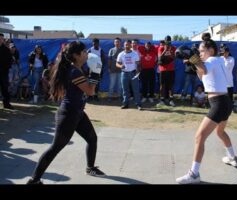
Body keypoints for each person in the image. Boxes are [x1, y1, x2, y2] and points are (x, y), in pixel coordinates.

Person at [27, 41, 105, 184]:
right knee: (55, 148)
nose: (87, 54)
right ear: (76, 55)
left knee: (92, 138)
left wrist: (94, 72)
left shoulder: (77, 68)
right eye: (84, 52)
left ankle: (90, 167)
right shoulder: (74, 71)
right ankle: (34, 180)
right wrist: (96, 72)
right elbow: (90, 91)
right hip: (69, 115)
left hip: (78, 112)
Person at [175, 33, 237, 184]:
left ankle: (194, 174)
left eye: (201, 50)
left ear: (211, 50)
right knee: (220, 131)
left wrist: (193, 57)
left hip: (219, 103)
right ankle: (232, 157)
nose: (200, 53)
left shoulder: (211, 60)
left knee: (199, 137)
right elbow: (202, 75)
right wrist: (192, 62)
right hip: (225, 102)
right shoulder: (218, 61)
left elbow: (204, 69)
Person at [116, 40, 142, 110]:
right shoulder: (121, 54)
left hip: (133, 73)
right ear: (123, 45)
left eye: (128, 45)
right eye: (125, 45)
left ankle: (138, 104)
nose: (126, 46)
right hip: (124, 74)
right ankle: (125, 104)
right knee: (125, 90)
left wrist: (138, 71)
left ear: (130, 45)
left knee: (136, 90)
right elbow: (117, 63)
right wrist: (120, 66)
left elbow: (138, 63)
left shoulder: (135, 54)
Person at [157, 35, 176, 107]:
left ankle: (171, 100)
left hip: (171, 69)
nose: (168, 43)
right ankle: (162, 100)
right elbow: (159, 58)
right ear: (164, 41)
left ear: (171, 41)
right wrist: (165, 50)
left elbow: (174, 58)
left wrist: (170, 52)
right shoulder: (161, 48)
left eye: (169, 41)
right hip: (163, 69)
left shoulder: (174, 48)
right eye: (166, 41)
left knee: (171, 85)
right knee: (162, 85)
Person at [0, 33, 13, 109]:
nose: (0, 40)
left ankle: (6, 104)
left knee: (5, 88)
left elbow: (10, 61)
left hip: (3, 72)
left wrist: (6, 69)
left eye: (2, 39)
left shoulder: (6, 50)